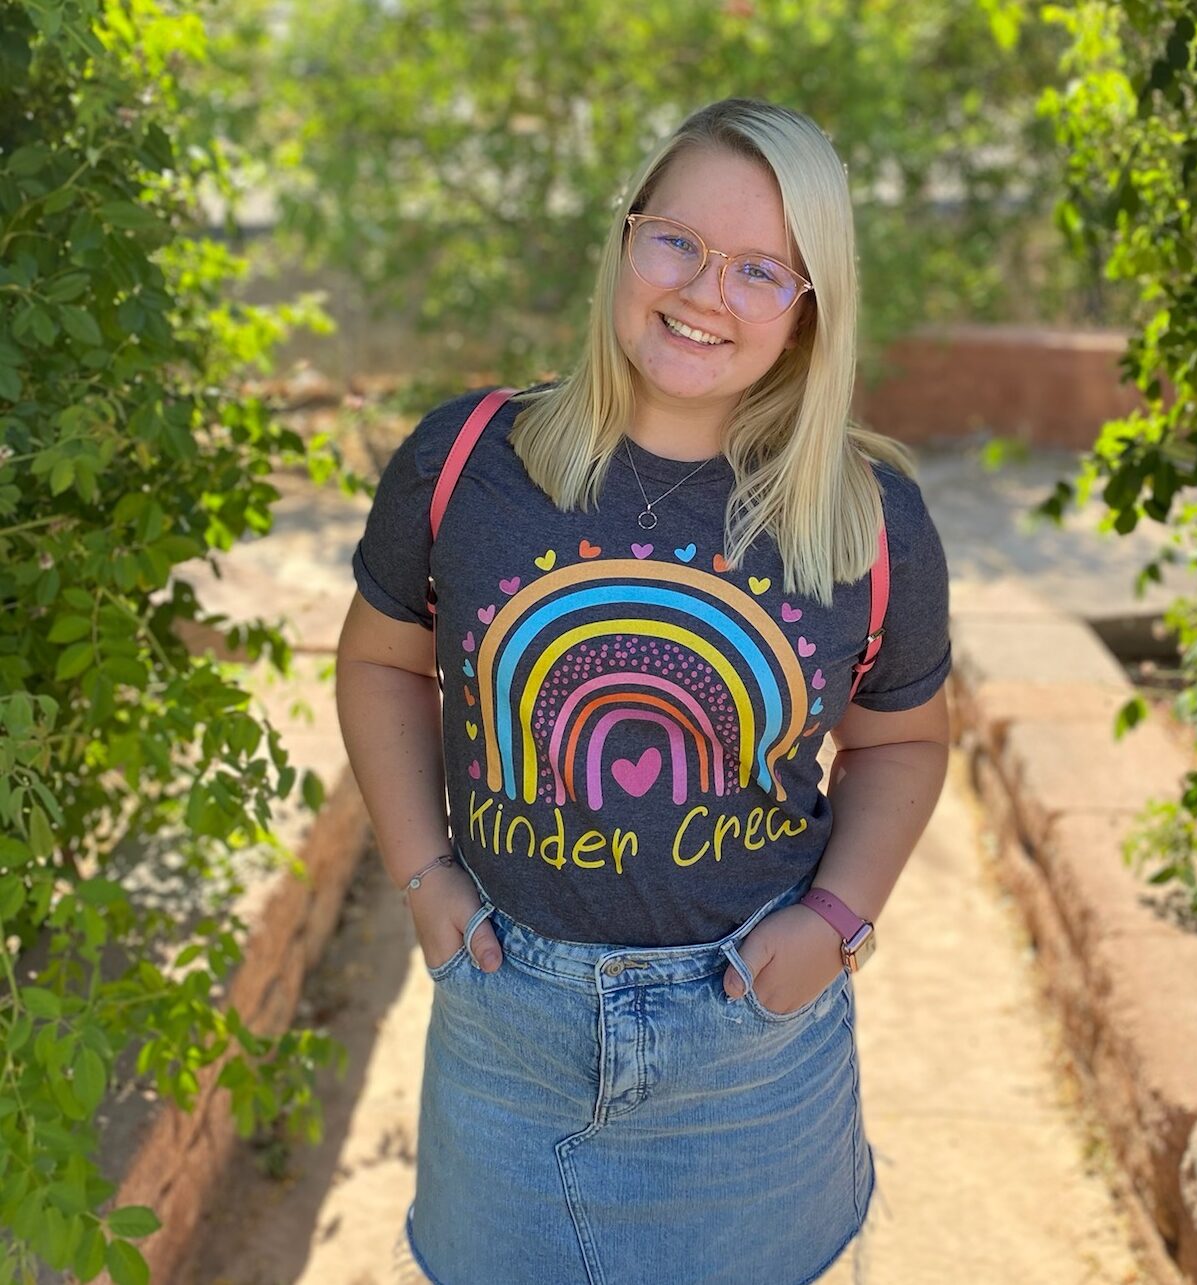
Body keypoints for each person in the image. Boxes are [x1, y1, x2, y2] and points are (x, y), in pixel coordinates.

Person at [336, 97, 951, 1285]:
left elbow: (904, 746)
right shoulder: (466, 463)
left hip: (751, 1065)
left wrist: (834, 924)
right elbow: (376, 663)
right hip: (504, 1029)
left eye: (762, 269)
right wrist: (424, 878)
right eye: (678, 241)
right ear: (624, 244)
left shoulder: (868, 524)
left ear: (809, 308)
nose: (706, 292)